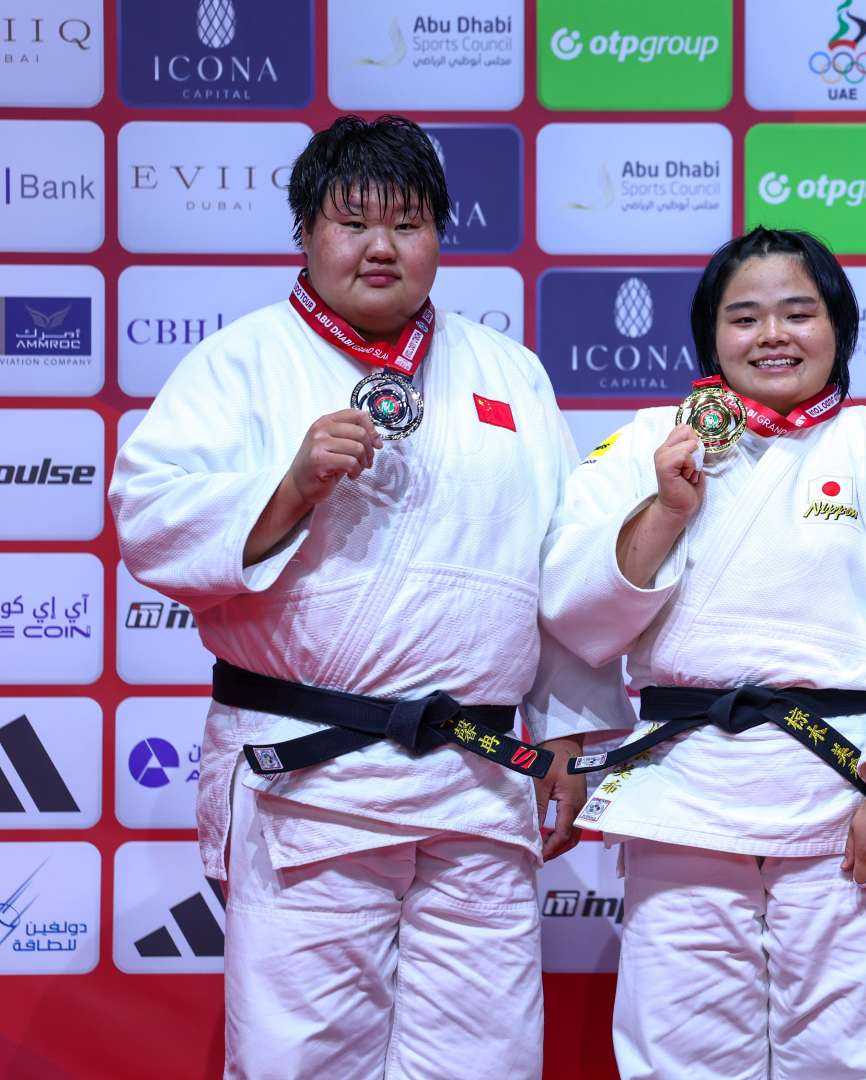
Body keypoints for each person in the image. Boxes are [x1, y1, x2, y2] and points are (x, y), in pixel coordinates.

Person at [109, 115, 631, 1078]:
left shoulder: (508, 373)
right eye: (353, 222)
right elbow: (148, 520)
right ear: (306, 234)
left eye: (409, 222)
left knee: (487, 1059)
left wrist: (565, 730)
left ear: (442, 235)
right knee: (300, 1058)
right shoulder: (241, 363)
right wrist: (289, 485)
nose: (382, 247)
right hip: (314, 782)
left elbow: (558, 563)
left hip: (477, 782)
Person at [540, 226, 866, 1079]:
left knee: (847, 1056)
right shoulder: (649, 442)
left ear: (840, 328)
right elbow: (573, 609)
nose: (772, 336)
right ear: (711, 335)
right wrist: (665, 509)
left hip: (841, 795)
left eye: (798, 312)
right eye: (744, 317)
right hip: (685, 794)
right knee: (681, 1054)